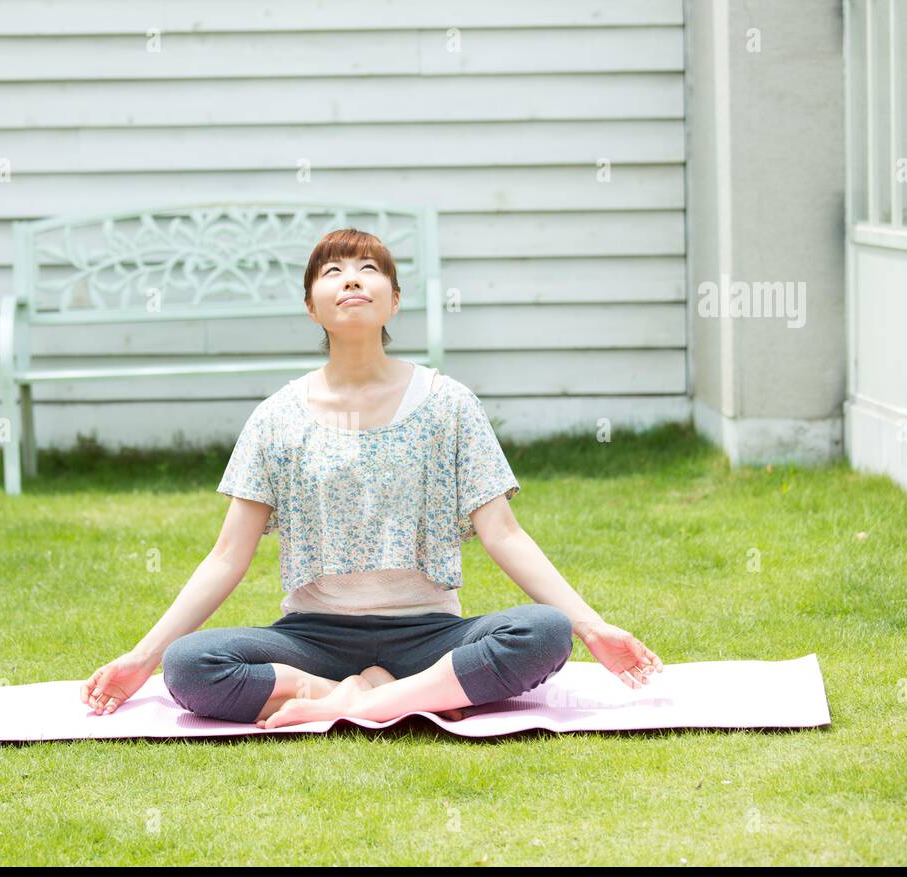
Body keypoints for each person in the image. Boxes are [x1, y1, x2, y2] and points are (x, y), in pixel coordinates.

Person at [81, 227, 663, 728]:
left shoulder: (449, 404)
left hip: (429, 634)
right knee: (189, 665)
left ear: (393, 300)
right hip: (312, 639)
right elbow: (227, 556)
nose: (352, 279)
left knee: (543, 632)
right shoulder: (276, 418)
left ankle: (364, 701)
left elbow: (503, 534)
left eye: (368, 270)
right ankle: (368, 697)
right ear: (312, 305)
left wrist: (592, 627)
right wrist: (142, 656)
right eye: (333, 271)